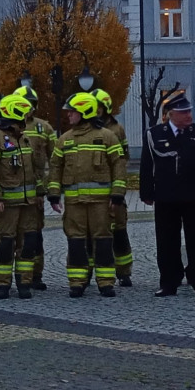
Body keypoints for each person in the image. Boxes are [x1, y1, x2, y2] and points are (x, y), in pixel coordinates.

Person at [139, 93, 195, 298]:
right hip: (166, 197)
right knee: (166, 241)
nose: (188, 115)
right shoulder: (155, 134)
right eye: (183, 112)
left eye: (189, 111)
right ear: (170, 114)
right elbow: (147, 165)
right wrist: (146, 192)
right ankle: (169, 282)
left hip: (194, 196)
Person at [47, 92, 125, 298]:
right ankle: (77, 282)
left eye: (72, 112)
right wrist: (54, 195)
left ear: (85, 112)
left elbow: (119, 166)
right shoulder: (64, 140)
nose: (69, 116)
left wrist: (117, 195)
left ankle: (106, 282)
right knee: (76, 241)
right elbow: (55, 168)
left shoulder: (107, 137)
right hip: (75, 204)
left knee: (103, 241)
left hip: (101, 203)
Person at [0, 95, 41, 299]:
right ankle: (2, 284)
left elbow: (33, 171)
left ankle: (24, 282)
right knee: (5, 244)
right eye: (23, 112)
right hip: (7, 205)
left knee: (27, 245)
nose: (26, 116)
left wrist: (40, 195)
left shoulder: (23, 138)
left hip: (28, 205)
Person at [13, 85, 56, 291]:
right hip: (14, 190)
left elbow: (55, 159)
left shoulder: (44, 128)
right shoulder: (6, 128)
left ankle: (36, 275)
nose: (29, 108)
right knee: (13, 236)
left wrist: (46, 188)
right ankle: (19, 276)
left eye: (31, 104)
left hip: (36, 191)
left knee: (35, 235)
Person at [90, 88, 134, 287]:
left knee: (119, 232)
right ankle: (90, 272)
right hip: (94, 189)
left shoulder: (117, 129)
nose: (96, 111)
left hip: (113, 189)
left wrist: (118, 189)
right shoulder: (87, 128)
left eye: (99, 107)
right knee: (92, 234)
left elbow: (123, 160)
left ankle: (124, 272)